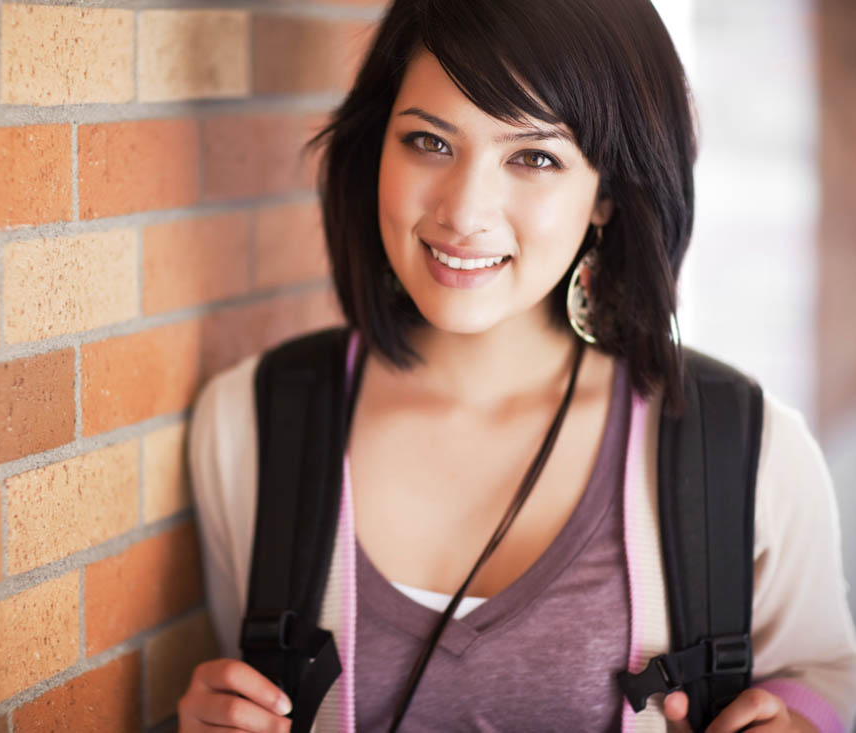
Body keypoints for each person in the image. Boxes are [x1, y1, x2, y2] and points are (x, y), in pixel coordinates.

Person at [180, 0, 856, 730]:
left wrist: (800, 717)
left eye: (533, 157)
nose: (465, 210)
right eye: (428, 142)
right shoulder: (249, 427)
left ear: (605, 195)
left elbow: (824, 676)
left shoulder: (746, 452)